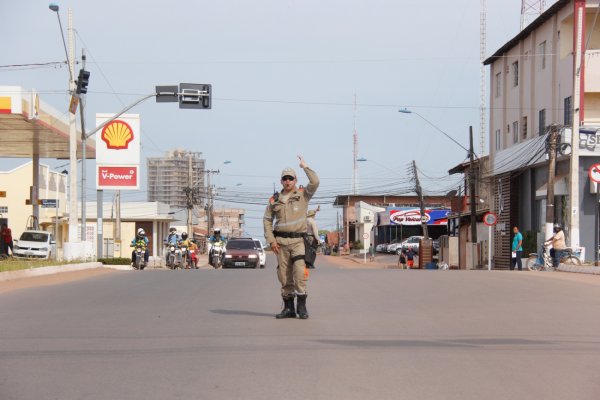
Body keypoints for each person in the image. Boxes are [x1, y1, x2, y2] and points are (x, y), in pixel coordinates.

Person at [264, 155, 319, 320]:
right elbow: (267, 220)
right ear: (281, 181)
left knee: (300, 273)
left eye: (290, 178)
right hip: (280, 243)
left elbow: (315, 182)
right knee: (284, 275)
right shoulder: (274, 200)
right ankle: (289, 308)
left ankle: (302, 307)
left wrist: (305, 166)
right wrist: (271, 241)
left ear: (295, 180)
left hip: (298, 242)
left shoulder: (302, 196)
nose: (287, 181)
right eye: (284, 179)